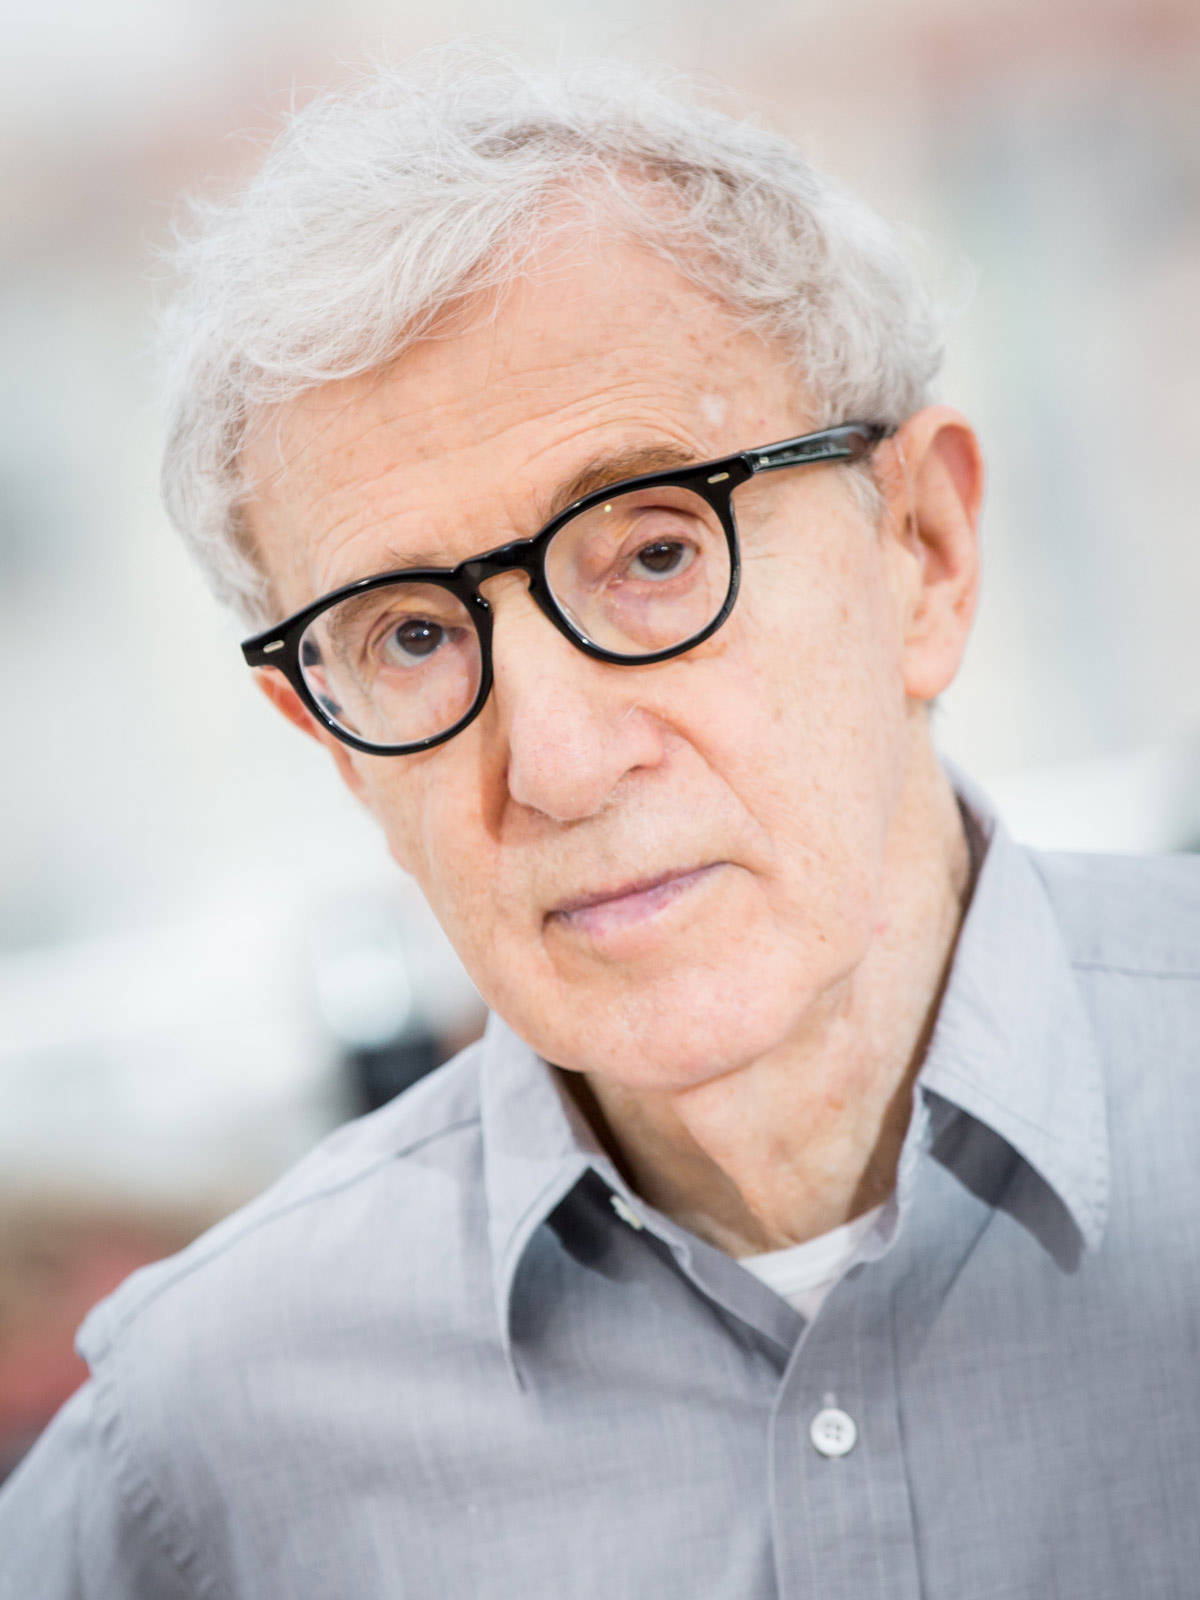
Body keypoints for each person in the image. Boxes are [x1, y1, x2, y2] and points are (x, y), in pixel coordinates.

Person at [2, 50, 1198, 1599]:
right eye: (412, 638)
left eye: (653, 550)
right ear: (342, 756)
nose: (555, 762)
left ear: (924, 550)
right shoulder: (202, 1451)